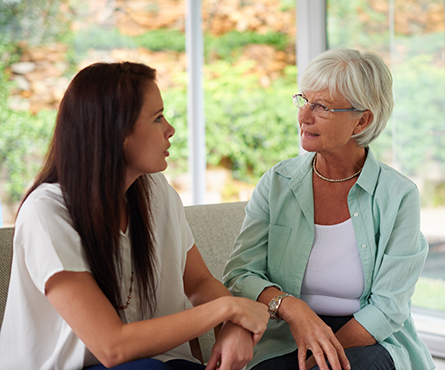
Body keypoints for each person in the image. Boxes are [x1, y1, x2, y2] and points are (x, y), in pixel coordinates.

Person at [0, 62, 269, 370]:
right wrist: (227, 309)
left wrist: (234, 326)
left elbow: (199, 282)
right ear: (116, 133)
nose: (170, 129)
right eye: (157, 118)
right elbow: (112, 348)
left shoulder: (156, 191)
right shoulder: (47, 212)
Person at [223, 49, 435, 370]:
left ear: (361, 120)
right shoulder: (278, 182)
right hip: (287, 335)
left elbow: (389, 307)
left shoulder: (398, 195)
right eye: (304, 101)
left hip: (367, 339)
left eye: (321, 107)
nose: (304, 116)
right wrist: (294, 310)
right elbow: (240, 274)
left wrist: (316, 358)